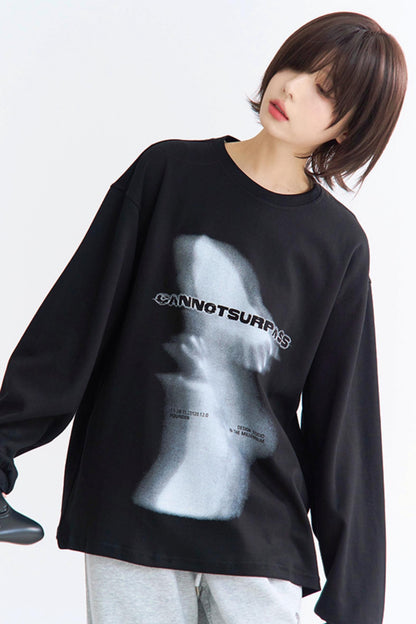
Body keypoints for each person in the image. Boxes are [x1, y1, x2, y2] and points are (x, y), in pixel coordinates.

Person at [0, 10, 407, 624]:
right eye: (298, 65)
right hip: (132, 518)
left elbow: (343, 418)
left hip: (260, 536)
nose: (293, 88)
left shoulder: (337, 244)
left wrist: (356, 598)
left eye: (324, 90)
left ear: (351, 129)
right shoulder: (167, 174)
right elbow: (73, 327)